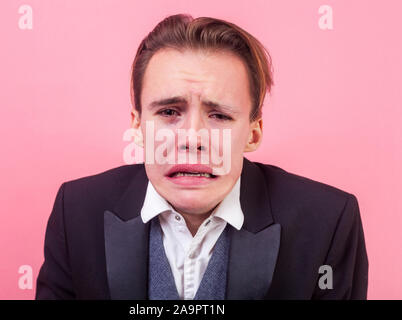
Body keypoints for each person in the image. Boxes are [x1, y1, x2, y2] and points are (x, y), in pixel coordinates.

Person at [36, 14, 368, 300]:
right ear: (138, 126)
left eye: (219, 116)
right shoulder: (76, 212)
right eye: (168, 112)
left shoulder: (329, 221)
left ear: (253, 133)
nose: (192, 138)